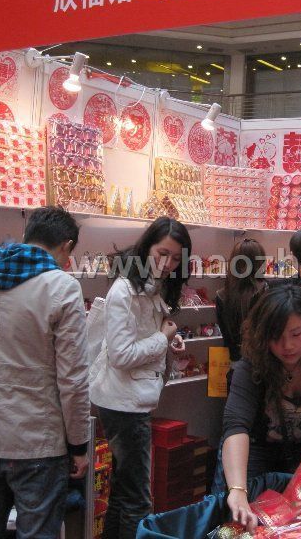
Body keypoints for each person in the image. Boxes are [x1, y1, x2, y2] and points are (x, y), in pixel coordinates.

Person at [0, 206, 90, 539]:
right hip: (38, 440)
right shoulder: (63, 287)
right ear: (67, 246)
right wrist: (79, 444)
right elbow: (72, 381)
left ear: (28, 236)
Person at [89, 217, 191, 538]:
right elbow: (121, 356)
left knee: (123, 491)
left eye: (176, 259)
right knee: (137, 498)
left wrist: (168, 338)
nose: (168, 264)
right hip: (124, 402)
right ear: (147, 247)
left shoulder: (149, 285)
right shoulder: (125, 290)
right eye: (162, 253)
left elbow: (139, 336)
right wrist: (162, 338)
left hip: (128, 397)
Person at [222, 285, 301, 530]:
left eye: (296, 333)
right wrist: (237, 489)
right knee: (246, 524)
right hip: (256, 454)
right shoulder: (251, 363)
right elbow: (236, 426)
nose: (288, 346)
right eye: (276, 336)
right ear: (263, 336)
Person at [215, 238, 268, 363]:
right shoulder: (266, 290)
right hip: (264, 361)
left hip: (235, 362)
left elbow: (226, 336)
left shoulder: (221, 295)